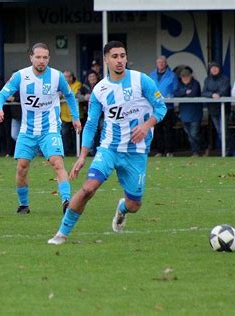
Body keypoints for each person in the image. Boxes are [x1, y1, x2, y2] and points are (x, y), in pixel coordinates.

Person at [48, 41, 167, 245]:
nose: (119, 60)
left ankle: (122, 209)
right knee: (88, 189)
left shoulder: (142, 80)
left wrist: (147, 125)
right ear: (106, 60)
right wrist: (83, 155)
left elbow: (161, 108)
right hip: (109, 149)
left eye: (122, 56)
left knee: (134, 204)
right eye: (115, 56)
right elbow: (92, 123)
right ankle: (61, 233)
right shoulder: (100, 90)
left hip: (136, 152)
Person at [0, 43, 81, 214]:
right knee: (22, 167)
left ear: (48, 58)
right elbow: (2, 94)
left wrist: (75, 118)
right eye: (38, 57)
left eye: (45, 57)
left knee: (57, 163)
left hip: (50, 128)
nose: (42, 61)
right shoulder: (21, 76)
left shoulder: (57, 76)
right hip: (27, 130)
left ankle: (66, 201)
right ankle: (23, 205)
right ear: (31, 58)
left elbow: (70, 96)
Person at [201, 62, 235, 156]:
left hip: (224, 109)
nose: (214, 69)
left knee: (223, 130)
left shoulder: (224, 79)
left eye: (216, 67)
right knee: (219, 131)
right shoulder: (207, 80)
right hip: (213, 109)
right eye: (212, 68)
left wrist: (215, 94)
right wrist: (212, 94)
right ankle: (230, 149)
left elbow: (224, 91)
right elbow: (204, 93)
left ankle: (231, 149)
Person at [149, 56, 178, 157]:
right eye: (159, 62)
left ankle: (169, 151)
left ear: (166, 63)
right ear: (156, 64)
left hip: (168, 107)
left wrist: (170, 96)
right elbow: (148, 89)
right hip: (155, 107)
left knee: (168, 129)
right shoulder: (151, 75)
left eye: (162, 62)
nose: (160, 64)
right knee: (157, 130)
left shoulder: (172, 75)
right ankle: (159, 151)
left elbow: (176, 90)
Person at [174, 68, 203, 156]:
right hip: (184, 114)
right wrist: (185, 91)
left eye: (187, 76)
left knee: (194, 134)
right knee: (190, 135)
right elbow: (176, 93)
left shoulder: (195, 83)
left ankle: (198, 151)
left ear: (190, 76)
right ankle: (198, 150)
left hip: (195, 113)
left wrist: (183, 93)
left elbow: (193, 94)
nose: (185, 78)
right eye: (183, 77)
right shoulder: (179, 84)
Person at [60, 70, 82, 155]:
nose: (66, 78)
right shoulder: (61, 85)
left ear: (72, 77)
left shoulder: (77, 85)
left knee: (76, 135)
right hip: (64, 115)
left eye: (68, 76)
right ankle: (65, 153)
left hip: (75, 116)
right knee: (65, 134)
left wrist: (62, 94)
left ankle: (77, 152)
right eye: (64, 77)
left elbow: (73, 95)